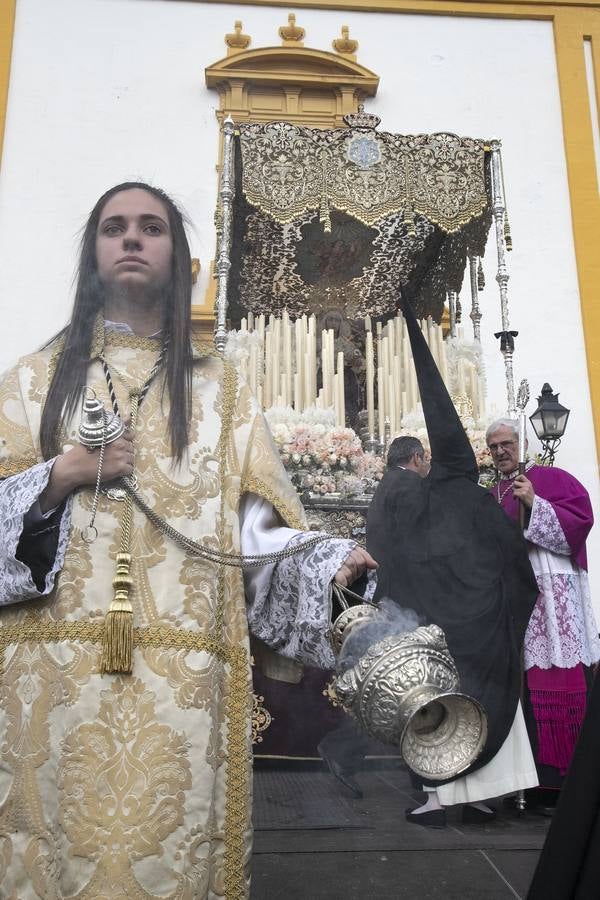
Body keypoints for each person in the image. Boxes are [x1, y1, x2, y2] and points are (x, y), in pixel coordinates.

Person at [0, 182, 376, 898]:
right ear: (92, 254)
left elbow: (250, 530)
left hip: (180, 682)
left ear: (180, 259)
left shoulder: (220, 390)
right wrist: (59, 476)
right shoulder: (31, 381)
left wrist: (325, 560)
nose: (131, 238)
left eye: (152, 228)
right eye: (114, 226)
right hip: (53, 682)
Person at [364, 294, 540, 828]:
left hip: (445, 629)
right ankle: (484, 797)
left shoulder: (421, 495)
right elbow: (513, 561)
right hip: (486, 631)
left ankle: (439, 799)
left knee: (443, 701)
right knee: (487, 699)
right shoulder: (478, 499)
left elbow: (400, 553)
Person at [486, 418, 600, 812]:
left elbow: (581, 521)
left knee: (555, 678)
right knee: (522, 691)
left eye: (506, 443)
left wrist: (535, 503)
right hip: (513, 601)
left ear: (521, 442)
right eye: (493, 446)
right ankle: (529, 782)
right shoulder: (493, 493)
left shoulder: (553, 478)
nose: (500, 451)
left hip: (553, 600)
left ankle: (562, 784)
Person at [318, 436, 429, 798]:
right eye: (425, 460)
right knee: (406, 684)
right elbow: (419, 543)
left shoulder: (387, 484)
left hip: (389, 595)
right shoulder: (411, 486)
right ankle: (346, 750)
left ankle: (347, 751)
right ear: (417, 458)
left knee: (391, 684)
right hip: (409, 600)